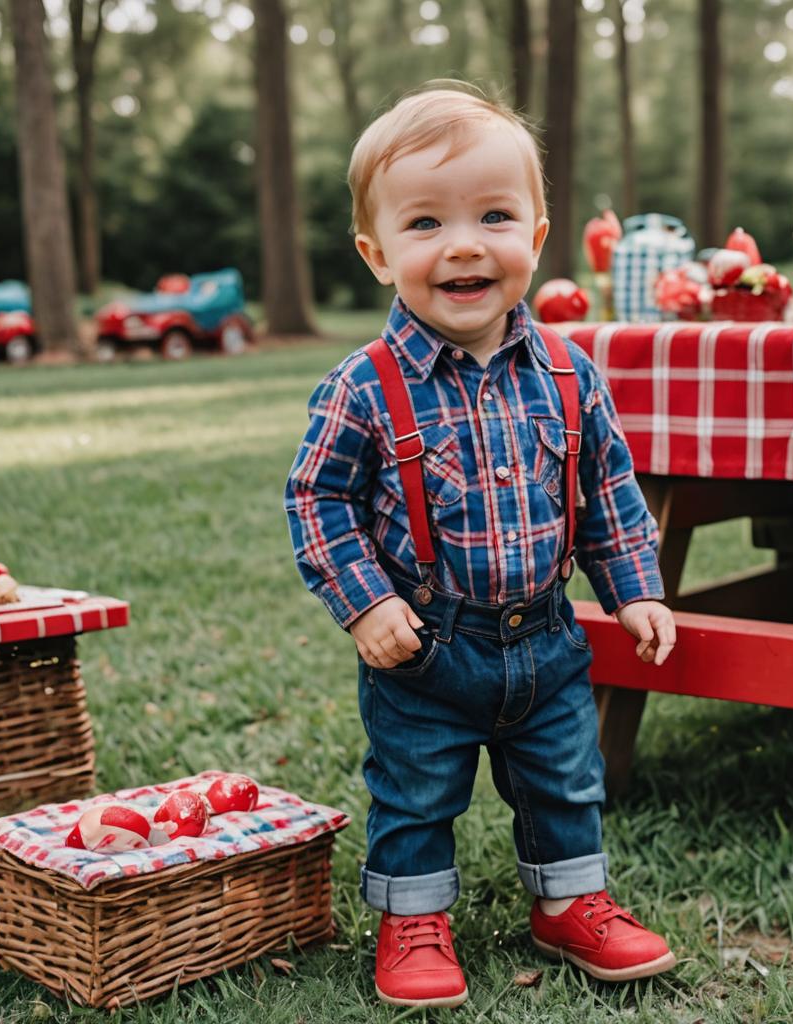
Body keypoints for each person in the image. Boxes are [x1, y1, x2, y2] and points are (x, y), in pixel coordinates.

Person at [285, 81, 677, 1009]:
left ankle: (570, 900)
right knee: (416, 791)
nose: (464, 244)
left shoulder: (572, 375)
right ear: (379, 256)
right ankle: (415, 917)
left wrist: (636, 588)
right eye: (425, 224)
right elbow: (318, 499)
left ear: (536, 239)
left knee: (565, 780)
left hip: (546, 640)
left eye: (495, 216)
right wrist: (368, 603)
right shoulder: (364, 387)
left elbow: (606, 491)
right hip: (426, 647)